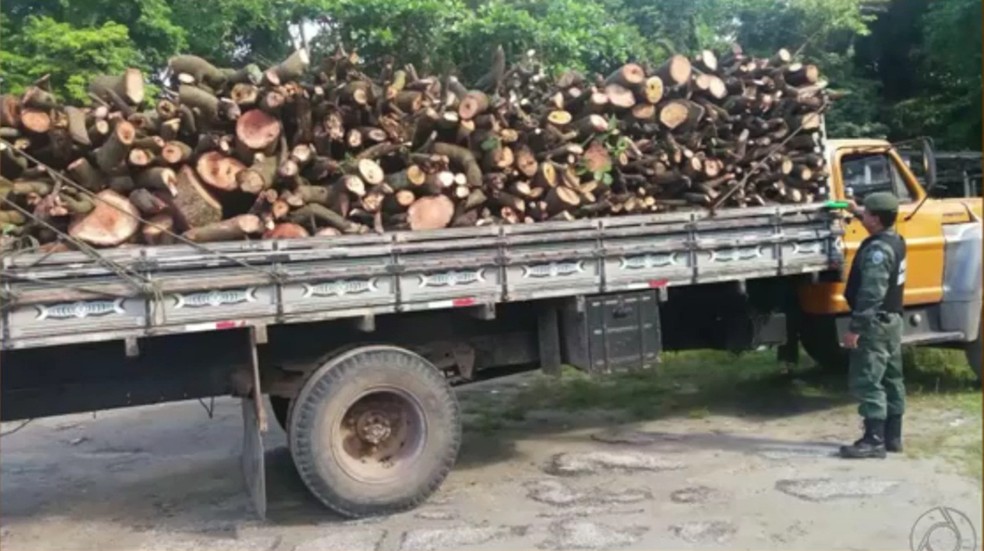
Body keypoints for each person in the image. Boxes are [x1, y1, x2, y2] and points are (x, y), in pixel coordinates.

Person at [839, 191, 907, 459]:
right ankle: (893, 437)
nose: (862, 216)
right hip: (892, 321)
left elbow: (871, 293)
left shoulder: (878, 251)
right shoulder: (895, 238)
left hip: (875, 323)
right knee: (892, 378)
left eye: (866, 213)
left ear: (876, 219)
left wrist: (855, 328)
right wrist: (855, 209)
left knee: (868, 379)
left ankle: (873, 440)